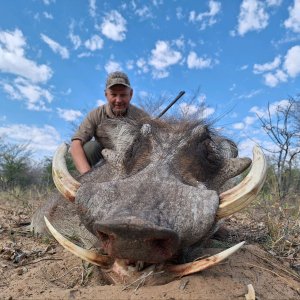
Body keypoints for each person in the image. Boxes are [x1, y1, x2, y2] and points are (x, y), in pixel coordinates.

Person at [70, 71, 149, 175]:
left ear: (131, 94)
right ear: (106, 95)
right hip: (102, 162)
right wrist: (87, 176)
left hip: (132, 162)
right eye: (113, 94)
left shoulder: (141, 116)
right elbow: (76, 144)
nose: (118, 100)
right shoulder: (95, 114)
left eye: (123, 94)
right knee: (90, 148)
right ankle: (91, 178)